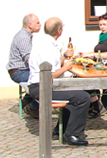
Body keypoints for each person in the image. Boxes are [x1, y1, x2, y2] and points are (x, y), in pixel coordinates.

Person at [27, 17, 90, 146]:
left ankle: (60, 130)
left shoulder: (45, 43)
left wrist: (65, 57)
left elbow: (53, 65)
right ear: (59, 31)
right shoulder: (48, 48)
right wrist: (66, 68)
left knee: (74, 94)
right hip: (42, 87)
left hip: (41, 85)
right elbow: (50, 76)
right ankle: (72, 134)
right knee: (83, 97)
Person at [80, 12, 107, 119]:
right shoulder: (103, 36)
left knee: (87, 80)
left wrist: (93, 55)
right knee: (81, 77)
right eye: (100, 25)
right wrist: (86, 54)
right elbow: (99, 51)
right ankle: (95, 103)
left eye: (104, 24)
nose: (102, 27)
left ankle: (95, 104)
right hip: (100, 67)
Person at [7, 13, 41, 118]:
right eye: (38, 23)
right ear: (30, 25)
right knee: (45, 80)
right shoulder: (24, 37)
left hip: (20, 70)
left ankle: (27, 100)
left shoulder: (25, 35)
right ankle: (33, 107)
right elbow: (29, 60)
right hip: (19, 72)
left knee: (40, 78)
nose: (40, 25)